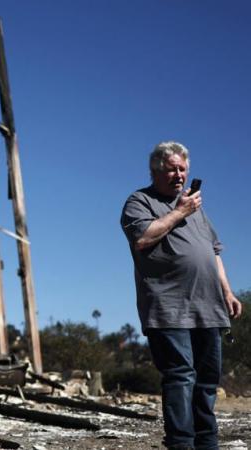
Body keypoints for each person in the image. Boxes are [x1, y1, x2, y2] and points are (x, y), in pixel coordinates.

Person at [120, 141, 242, 450]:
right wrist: (179, 212)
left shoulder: (197, 210)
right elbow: (143, 238)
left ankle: (207, 444)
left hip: (209, 306)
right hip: (168, 306)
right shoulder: (140, 201)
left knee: (207, 381)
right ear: (156, 170)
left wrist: (227, 291)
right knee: (181, 376)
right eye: (173, 168)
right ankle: (181, 445)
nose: (179, 175)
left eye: (183, 169)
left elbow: (213, 252)